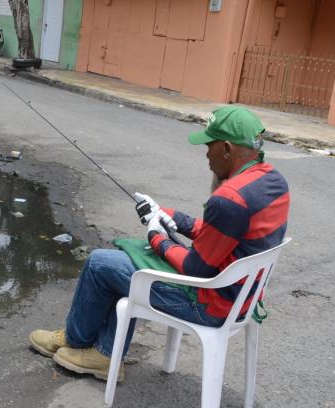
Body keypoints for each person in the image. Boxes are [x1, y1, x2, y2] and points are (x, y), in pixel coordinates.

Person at [29, 106, 290, 381]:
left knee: (100, 264)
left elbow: (195, 269)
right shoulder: (272, 181)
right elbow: (219, 233)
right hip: (240, 299)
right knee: (122, 264)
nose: (206, 154)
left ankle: (78, 341)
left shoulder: (230, 198)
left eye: (209, 145)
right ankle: (105, 351)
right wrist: (167, 215)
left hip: (209, 305)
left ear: (226, 149)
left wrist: (156, 238)